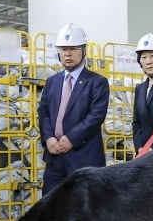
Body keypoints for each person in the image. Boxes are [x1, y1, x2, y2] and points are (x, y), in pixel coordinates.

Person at [38, 24, 109, 194]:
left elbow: (96, 116)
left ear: (84, 50)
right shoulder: (52, 82)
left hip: (84, 157)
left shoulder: (97, 82)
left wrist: (70, 139)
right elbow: (43, 112)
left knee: (84, 210)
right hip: (54, 157)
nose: (67, 53)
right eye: (63, 49)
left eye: (73, 49)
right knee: (51, 207)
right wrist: (49, 139)